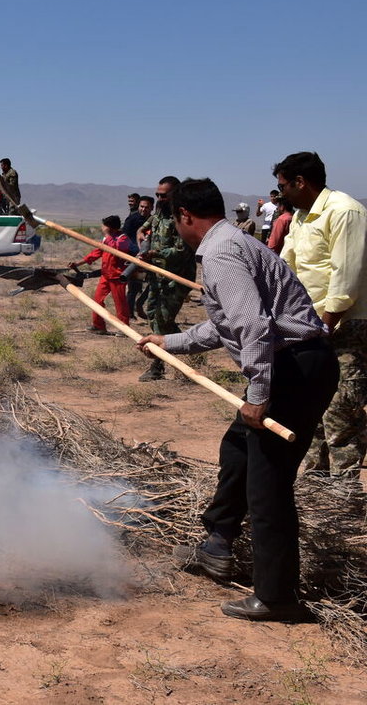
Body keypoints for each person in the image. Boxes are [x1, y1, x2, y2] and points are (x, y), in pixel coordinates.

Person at [138, 177, 338, 622]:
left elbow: (254, 328)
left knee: (267, 485)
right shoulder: (231, 244)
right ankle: (217, 545)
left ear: (185, 217)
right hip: (294, 362)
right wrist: (168, 342)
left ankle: (276, 597)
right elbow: (223, 326)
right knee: (238, 451)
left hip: (295, 368)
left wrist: (260, 395)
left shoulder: (222, 253)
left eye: (177, 221)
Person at [275, 151, 367, 477]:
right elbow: (286, 266)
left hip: (345, 326)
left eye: (284, 185)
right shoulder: (302, 217)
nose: (281, 192)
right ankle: (316, 488)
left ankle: (345, 496)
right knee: (309, 405)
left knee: (341, 412)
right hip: (309, 326)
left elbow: (346, 279)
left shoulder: (345, 212)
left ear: (301, 182)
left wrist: (325, 328)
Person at [137, 176, 197, 381]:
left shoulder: (182, 217)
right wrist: (140, 235)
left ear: (175, 194)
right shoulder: (158, 215)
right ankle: (189, 347)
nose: (159, 199)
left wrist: (154, 253)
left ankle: (158, 365)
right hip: (157, 275)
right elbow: (145, 227)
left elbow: (181, 251)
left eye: (163, 195)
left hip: (176, 277)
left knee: (163, 320)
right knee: (153, 314)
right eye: (157, 195)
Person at [69, 215, 133, 333]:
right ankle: (98, 325)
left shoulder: (123, 239)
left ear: (110, 227)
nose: (102, 228)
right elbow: (97, 252)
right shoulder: (106, 239)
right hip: (106, 275)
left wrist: (108, 236)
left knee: (120, 303)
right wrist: (78, 263)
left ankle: (124, 329)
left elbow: (116, 250)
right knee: (97, 300)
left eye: (104, 227)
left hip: (117, 277)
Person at [123, 196, 153, 319]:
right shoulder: (131, 220)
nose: (143, 209)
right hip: (134, 258)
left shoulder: (153, 220)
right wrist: (138, 251)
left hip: (151, 257)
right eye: (141, 206)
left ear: (151, 208)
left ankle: (139, 304)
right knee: (134, 287)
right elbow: (125, 238)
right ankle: (129, 313)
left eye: (146, 207)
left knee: (153, 284)